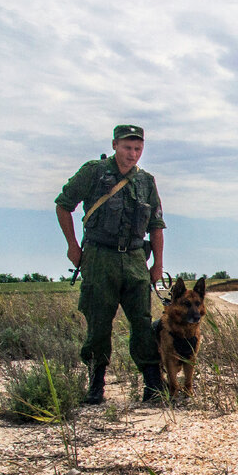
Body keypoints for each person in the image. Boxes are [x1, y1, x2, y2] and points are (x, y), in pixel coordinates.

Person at [55, 124, 166, 405]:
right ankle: (95, 386)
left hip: (134, 259)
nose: (132, 154)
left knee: (142, 323)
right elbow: (63, 205)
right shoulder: (94, 172)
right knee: (99, 322)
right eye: (127, 148)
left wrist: (157, 265)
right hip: (99, 258)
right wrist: (72, 246)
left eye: (138, 149)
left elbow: (155, 226)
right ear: (115, 144)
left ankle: (153, 385)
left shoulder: (146, 181)